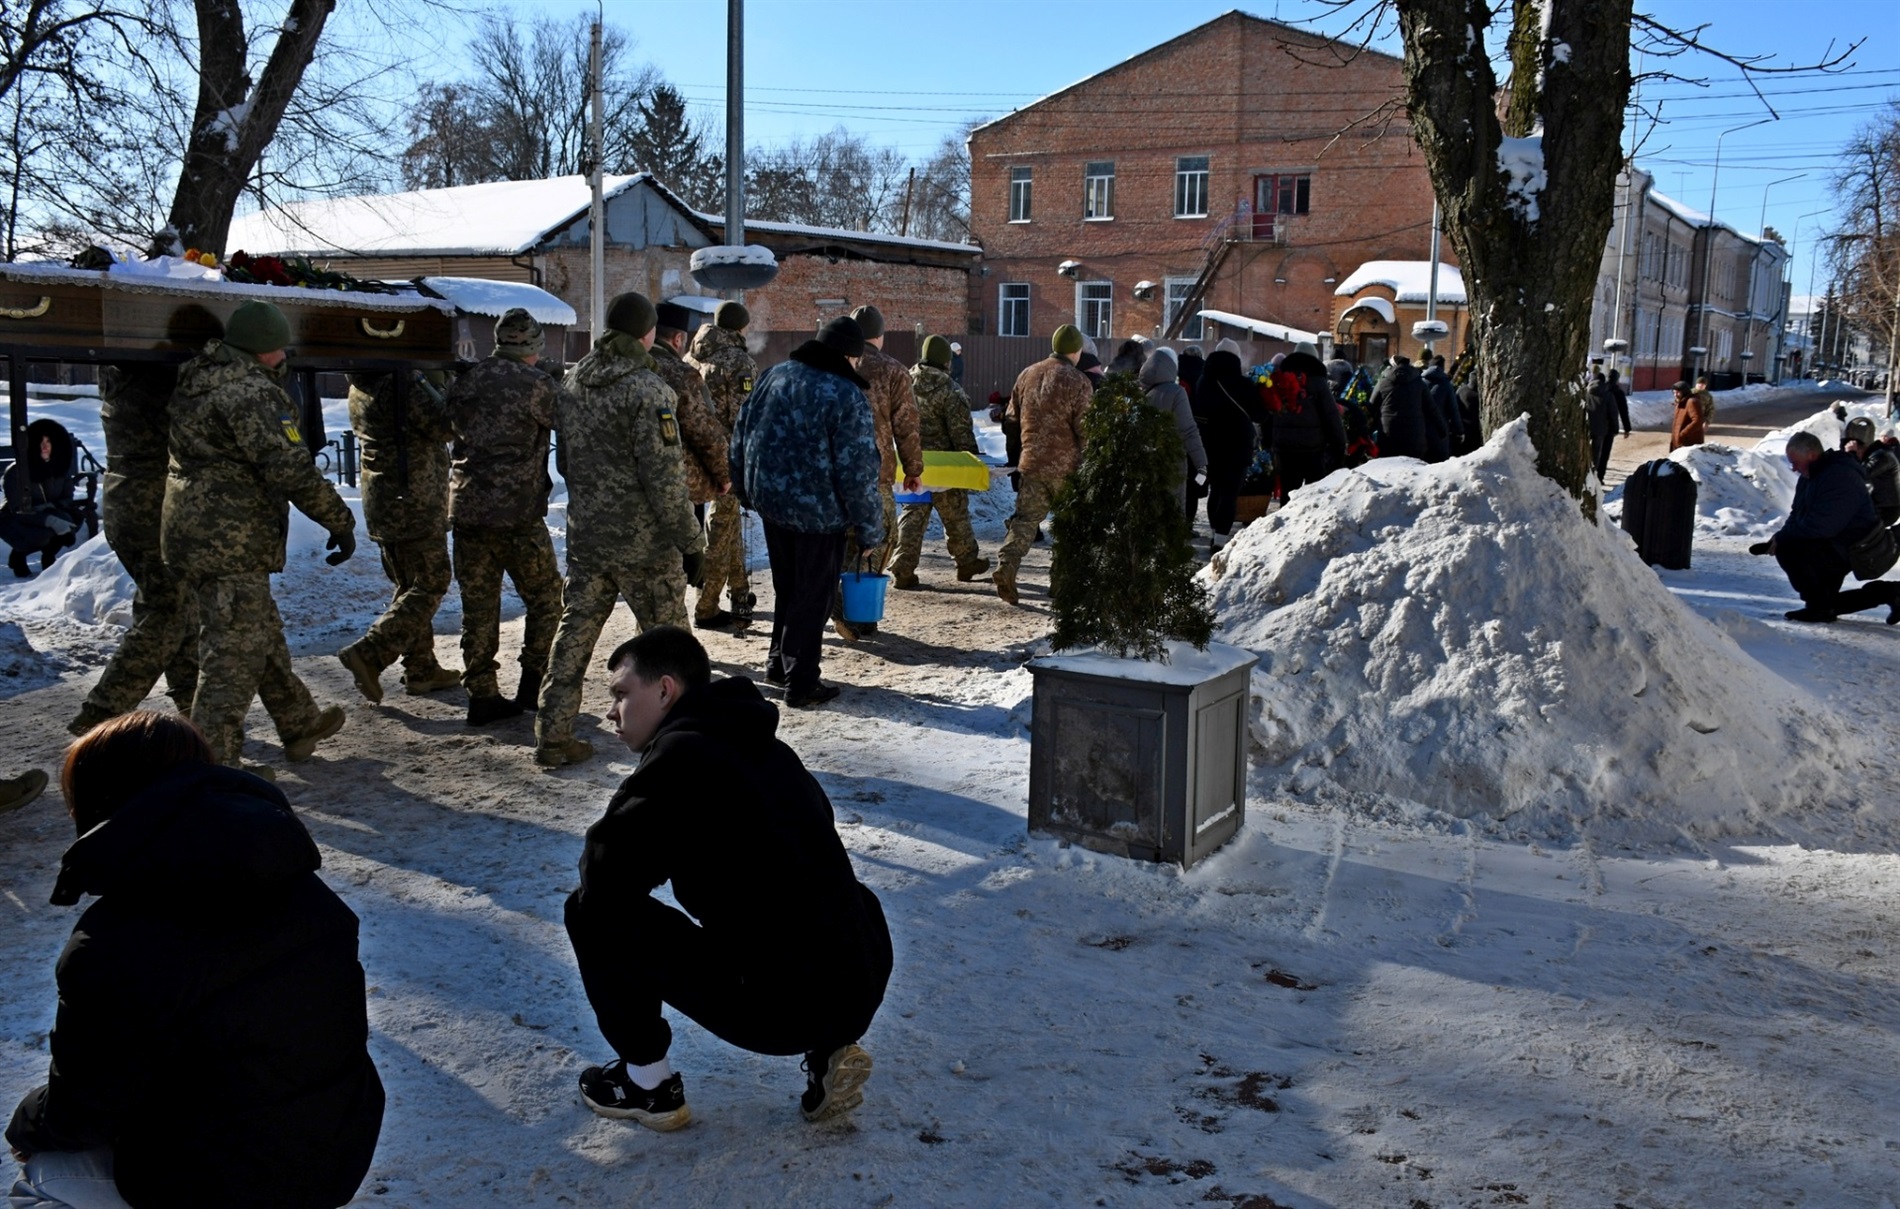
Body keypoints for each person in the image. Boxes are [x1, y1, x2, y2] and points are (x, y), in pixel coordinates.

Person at [6, 711, 383, 1209]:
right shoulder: (304, 890)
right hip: (333, 1159)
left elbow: (80, 1115)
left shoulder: (114, 940)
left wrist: (25, 1120)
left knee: (45, 1164)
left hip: (217, 1184)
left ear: (100, 801)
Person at [564, 627, 893, 1131]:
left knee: (591, 911)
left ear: (665, 690)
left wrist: (637, 807)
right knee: (816, 898)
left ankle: (648, 1087)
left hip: (781, 1006)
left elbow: (605, 876)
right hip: (859, 982)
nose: (612, 712)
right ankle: (829, 1050)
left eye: (621, 694)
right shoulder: (762, 745)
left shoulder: (683, 756)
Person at [160, 300, 352, 769]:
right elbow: (291, 468)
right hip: (231, 539)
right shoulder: (250, 393)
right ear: (263, 349)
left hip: (193, 530)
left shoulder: (200, 377)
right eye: (279, 346)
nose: (284, 354)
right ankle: (213, 767)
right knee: (231, 658)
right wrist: (339, 519)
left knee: (258, 633)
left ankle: (298, 721)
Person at [535, 293, 705, 768]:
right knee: (672, 650)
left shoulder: (571, 383)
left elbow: (566, 461)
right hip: (645, 547)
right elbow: (666, 482)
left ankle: (552, 732)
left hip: (588, 538)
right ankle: (688, 741)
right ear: (648, 333)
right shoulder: (648, 391)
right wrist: (693, 543)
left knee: (574, 636)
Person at [729, 316, 884, 708]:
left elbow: (741, 433)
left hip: (772, 504)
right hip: (819, 516)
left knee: (788, 588)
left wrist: (744, 488)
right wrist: (870, 529)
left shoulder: (774, 375)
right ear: (849, 356)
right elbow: (858, 470)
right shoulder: (845, 395)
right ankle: (801, 681)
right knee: (812, 597)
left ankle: (778, 664)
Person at [446, 308, 566, 726]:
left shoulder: (468, 380)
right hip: (516, 515)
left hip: (468, 511)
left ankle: (482, 695)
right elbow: (565, 422)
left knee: (477, 607)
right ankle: (533, 681)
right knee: (547, 598)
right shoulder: (537, 385)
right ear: (533, 345)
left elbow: (451, 422)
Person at [67, 368, 199, 736]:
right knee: (167, 611)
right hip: (150, 505)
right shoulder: (153, 374)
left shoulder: (126, 369)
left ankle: (200, 716)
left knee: (181, 608)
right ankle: (100, 715)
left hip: (130, 500)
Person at [334, 369, 462, 704]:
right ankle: (370, 652)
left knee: (410, 584)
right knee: (431, 581)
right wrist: (437, 383)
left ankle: (421, 668)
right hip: (413, 502)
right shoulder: (401, 382)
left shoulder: (364, 380)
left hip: (386, 499)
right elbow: (446, 424)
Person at [833, 305, 922, 641]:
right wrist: (913, 468)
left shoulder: (833, 365)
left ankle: (833, 593)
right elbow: (907, 424)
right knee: (880, 538)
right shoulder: (892, 370)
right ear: (880, 336)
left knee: (840, 537)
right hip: (875, 472)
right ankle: (858, 613)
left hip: (834, 472)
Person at [1748, 430, 1898, 623]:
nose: (1793, 468)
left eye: (1795, 462)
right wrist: (1778, 537)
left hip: (1857, 546)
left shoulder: (1840, 475)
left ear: (1811, 455)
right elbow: (1797, 514)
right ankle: (1890, 593)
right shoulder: (1811, 475)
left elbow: (1824, 525)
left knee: (1790, 551)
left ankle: (1884, 593)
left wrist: (1784, 539)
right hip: (1835, 542)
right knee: (1824, 603)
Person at [649, 302, 734, 631]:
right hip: (680, 488)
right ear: (678, 338)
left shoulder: (623, 367)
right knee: (675, 573)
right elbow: (705, 431)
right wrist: (724, 477)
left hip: (623, 497)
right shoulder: (678, 372)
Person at [995, 326, 1093, 605]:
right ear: (1076, 352)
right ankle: (1060, 585)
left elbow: (1010, 422)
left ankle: (1006, 566)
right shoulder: (1079, 381)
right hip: (1068, 470)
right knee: (1067, 527)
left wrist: (1016, 458)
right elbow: (1086, 428)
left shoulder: (1028, 374)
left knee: (1024, 522)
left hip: (1032, 464)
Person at [889, 335, 989, 589]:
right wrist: (971, 459)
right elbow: (960, 431)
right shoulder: (950, 390)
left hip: (912, 463)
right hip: (946, 465)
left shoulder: (904, 382)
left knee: (913, 513)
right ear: (946, 361)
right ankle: (966, 561)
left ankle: (902, 565)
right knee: (955, 514)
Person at [685, 301, 759, 627]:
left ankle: (740, 589)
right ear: (741, 328)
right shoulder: (738, 361)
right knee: (720, 530)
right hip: (726, 459)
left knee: (726, 525)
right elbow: (745, 419)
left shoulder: (691, 358)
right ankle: (707, 606)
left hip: (692, 458)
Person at [2, 418, 87, 578]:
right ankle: (19, 555)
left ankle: (48, 556)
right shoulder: (16, 472)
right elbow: (19, 509)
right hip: (15, 519)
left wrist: (53, 512)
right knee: (43, 534)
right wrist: (51, 519)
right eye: (40, 441)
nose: (45, 446)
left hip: (48, 512)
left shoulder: (59, 467)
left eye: (49, 441)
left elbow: (66, 498)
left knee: (72, 519)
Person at [1195, 349, 1261, 539]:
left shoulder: (1203, 383)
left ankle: (1215, 532)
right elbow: (1259, 414)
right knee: (1230, 493)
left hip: (1210, 444)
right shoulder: (1244, 385)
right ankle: (1221, 539)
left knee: (1215, 490)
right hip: (1238, 446)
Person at [1138, 346, 1208, 513]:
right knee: (1170, 513)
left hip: (1142, 462)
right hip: (1171, 462)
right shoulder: (1176, 393)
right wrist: (1201, 464)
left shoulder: (1138, 390)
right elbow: (1188, 430)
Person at [1270, 344, 1347, 494]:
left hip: (1285, 447)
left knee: (1288, 493)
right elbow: (1331, 416)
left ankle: (1286, 517)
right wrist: (1339, 445)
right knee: (1314, 494)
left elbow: (1271, 412)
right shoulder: (1319, 382)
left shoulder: (1280, 380)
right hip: (1313, 448)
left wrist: (1270, 441)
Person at [1370, 354, 1431, 461]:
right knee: (1412, 471)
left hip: (1388, 432)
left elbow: (1372, 406)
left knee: (1387, 468)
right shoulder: (1419, 383)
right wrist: (1442, 430)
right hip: (1414, 434)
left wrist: (1368, 429)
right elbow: (1431, 408)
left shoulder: (1383, 382)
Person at [1844, 416, 1900, 525]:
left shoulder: (1882, 455)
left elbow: (1860, 474)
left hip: (1886, 509)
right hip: (1878, 505)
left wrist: (1851, 455)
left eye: (1857, 451)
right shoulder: (1875, 453)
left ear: (1861, 447)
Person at [1423, 354, 1463, 459]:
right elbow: (1453, 411)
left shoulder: (1420, 382)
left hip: (1421, 430)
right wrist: (1459, 431)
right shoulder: (1446, 385)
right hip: (1440, 432)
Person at [1587, 371, 1622, 483]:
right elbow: (1613, 413)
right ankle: (1593, 477)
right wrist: (1615, 429)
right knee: (1596, 455)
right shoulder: (1608, 395)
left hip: (1586, 429)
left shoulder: (1585, 393)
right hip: (1600, 430)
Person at [1669, 379, 1709, 450]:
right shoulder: (1681, 402)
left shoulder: (1692, 402)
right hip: (1680, 442)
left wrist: (1683, 434)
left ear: (1684, 392)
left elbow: (1698, 421)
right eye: (1674, 392)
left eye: (1678, 392)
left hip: (1689, 443)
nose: (1675, 395)